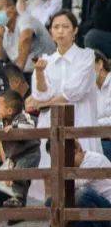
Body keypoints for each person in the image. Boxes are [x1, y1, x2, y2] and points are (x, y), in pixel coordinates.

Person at [28, 11, 103, 201]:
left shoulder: (86, 57)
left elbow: (72, 93)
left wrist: (43, 104)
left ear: (75, 30)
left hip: (79, 122)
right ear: (51, 32)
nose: (60, 31)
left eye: (65, 26)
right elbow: (40, 94)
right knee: (50, 181)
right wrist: (39, 73)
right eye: (56, 27)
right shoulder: (45, 60)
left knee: (82, 181)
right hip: (49, 125)